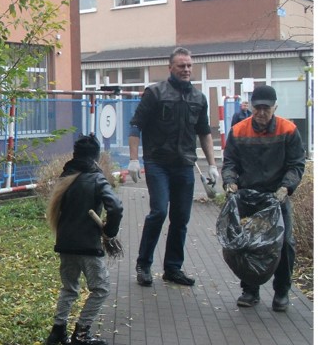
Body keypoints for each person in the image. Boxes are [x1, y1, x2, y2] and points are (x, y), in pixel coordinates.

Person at [126, 47, 218, 287]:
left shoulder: (198, 98)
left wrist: (212, 165)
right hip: (158, 163)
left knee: (181, 218)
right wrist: (134, 159)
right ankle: (144, 264)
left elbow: (204, 132)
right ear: (170, 68)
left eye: (189, 65)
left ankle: (173, 268)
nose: (186, 69)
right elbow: (136, 126)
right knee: (159, 211)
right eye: (181, 66)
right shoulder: (155, 93)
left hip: (185, 165)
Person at [221, 85, 306, 312]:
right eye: (257, 108)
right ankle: (250, 290)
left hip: (276, 197)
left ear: (274, 107)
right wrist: (230, 181)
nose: (260, 113)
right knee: (247, 243)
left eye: (266, 109)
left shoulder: (288, 130)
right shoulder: (239, 131)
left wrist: (286, 187)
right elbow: (230, 162)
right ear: (250, 107)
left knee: (284, 244)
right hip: (247, 197)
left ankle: (281, 292)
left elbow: (296, 164)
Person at [45, 134, 123, 345]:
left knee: (69, 288)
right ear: (96, 157)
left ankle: (58, 331)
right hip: (88, 245)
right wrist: (109, 231)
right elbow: (116, 207)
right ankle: (81, 334)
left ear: (75, 155)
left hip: (65, 243)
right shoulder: (97, 179)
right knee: (101, 288)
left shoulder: (65, 178)